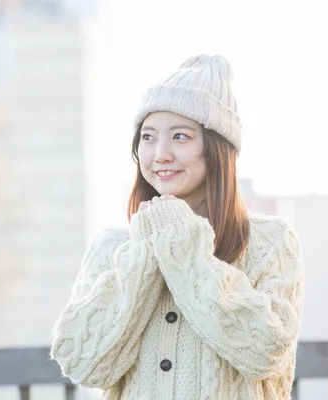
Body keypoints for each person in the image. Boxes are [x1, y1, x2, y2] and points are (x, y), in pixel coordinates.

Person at [51, 54, 305, 399]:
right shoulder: (112, 248)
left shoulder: (269, 242)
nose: (160, 154)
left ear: (217, 148)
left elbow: (264, 352)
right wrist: (143, 255)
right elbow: (83, 363)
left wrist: (181, 243)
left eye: (180, 137)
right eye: (148, 137)